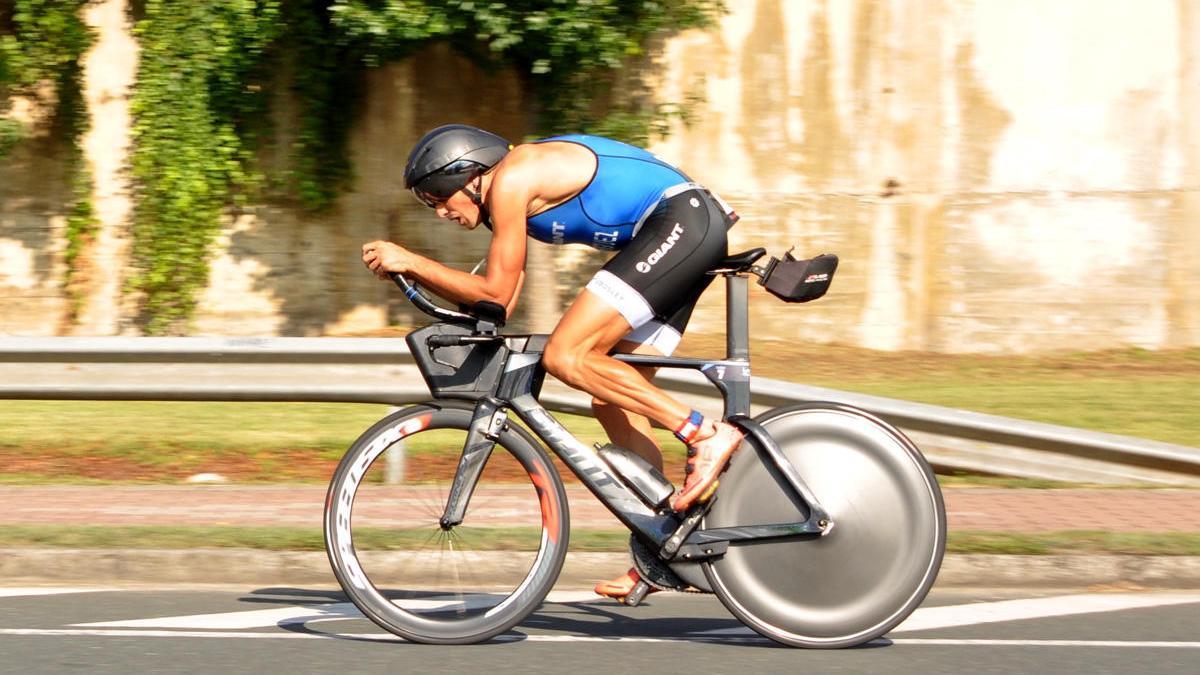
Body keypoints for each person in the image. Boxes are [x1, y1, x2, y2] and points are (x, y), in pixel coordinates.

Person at [361, 124, 744, 601]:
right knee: (610, 400)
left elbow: (495, 292)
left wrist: (411, 262)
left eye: (438, 196)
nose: (440, 211)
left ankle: (703, 433)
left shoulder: (513, 179)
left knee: (568, 355)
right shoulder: (512, 195)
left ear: (471, 174)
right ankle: (668, 545)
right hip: (684, 228)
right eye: (429, 203)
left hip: (681, 222)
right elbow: (499, 304)